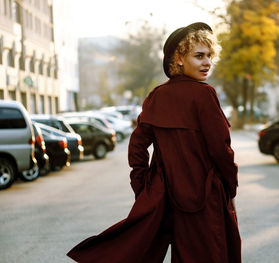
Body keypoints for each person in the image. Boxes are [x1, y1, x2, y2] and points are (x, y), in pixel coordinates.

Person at [67, 22, 241, 263]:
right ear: (179, 58)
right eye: (199, 56)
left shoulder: (156, 96)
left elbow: (137, 145)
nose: (207, 62)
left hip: (166, 198)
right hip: (204, 197)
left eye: (209, 56)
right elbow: (221, 150)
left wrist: (144, 188)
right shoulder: (205, 94)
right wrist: (230, 187)